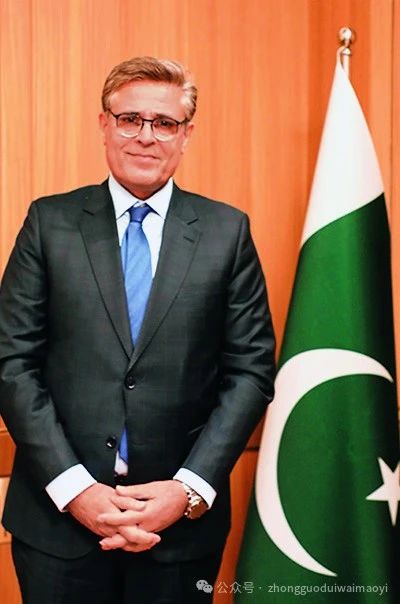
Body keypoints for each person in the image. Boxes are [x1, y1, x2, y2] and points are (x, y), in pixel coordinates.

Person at [0, 56, 275, 604]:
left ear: (186, 135)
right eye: (130, 119)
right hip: (58, 528)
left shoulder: (227, 232)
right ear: (104, 124)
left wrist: (188, 489)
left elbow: (250, 372)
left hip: (178, 532)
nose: (146, 136)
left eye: (165, 123)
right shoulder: (49, 223)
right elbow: (12, 362)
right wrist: (76, 488)